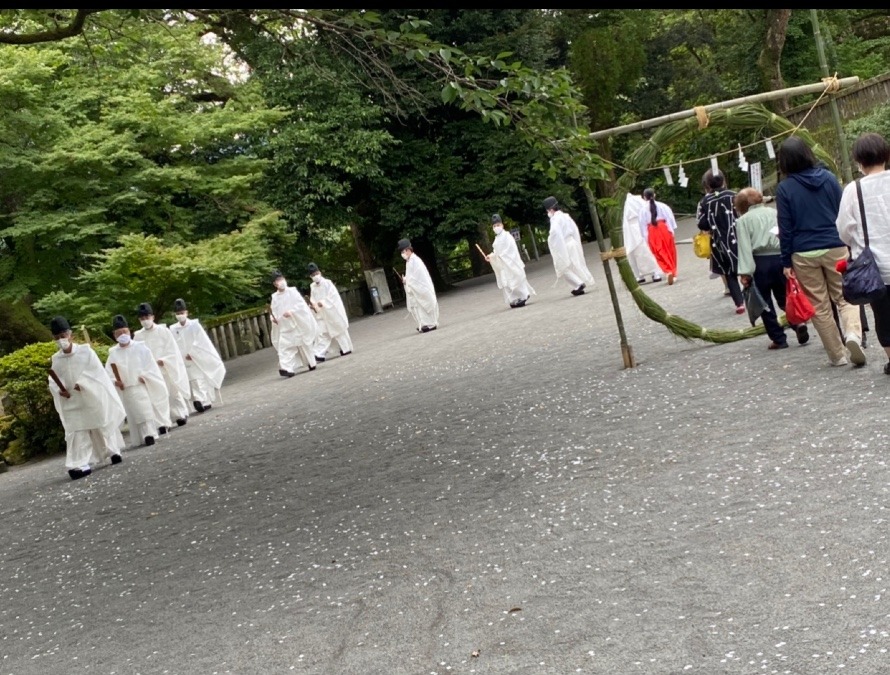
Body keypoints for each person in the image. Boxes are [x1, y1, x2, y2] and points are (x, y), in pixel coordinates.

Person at [777, 135, 864, 367]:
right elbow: (842, 212)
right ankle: (853, 334)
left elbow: (785, 228)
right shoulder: (828, 178)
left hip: (803, 252)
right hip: (834, 244)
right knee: (846, 297)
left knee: (819, 306)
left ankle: (837, 356)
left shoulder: (784, 188)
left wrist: (786, 261)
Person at [836, 132, 890, 372]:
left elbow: (844, 230)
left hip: (875, 268)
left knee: (884, 317)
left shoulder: (852, 190)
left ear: (859, 161)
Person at [48, 316, 125, 480]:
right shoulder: (56, 359)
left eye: (63, 335)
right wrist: (59, 390)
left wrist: (83, 383)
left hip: (90, 396)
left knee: (100, 423)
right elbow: (54, 380)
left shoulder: (86, 351)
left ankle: (113, 450)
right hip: (71, 401)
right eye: (57, 337)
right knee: (77, 430)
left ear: (71, 335)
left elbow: (97, 373)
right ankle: (80, 463)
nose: (61, 340)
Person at [734, 187, 810, 350]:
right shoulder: (774, 212)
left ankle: (779, 339)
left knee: (764, 303)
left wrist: (745, 273)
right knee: (785, 297)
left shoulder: (743, 221)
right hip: (781, 258)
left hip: (759, 261)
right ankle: (798, 323)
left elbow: (745, 247)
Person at [105, 314, 171, 447]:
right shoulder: (113, 353)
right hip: (126, 389)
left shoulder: (141, 347)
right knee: (134, 414)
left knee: (144, 410)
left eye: (124, 332)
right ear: (114, 335)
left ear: (129, 331)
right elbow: (108, 373)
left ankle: (149, 434)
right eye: (119, 333)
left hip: (141, 385)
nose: (122, 335)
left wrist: (146, 376)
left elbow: (151, 366)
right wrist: (115, 381)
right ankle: (142, 436)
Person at [133, 302, 190, 428]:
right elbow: (136, 355)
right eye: (142, 319)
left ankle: (180, 414)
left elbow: (172, 349)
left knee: (172, 392)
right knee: (157, 396)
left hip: (165, 366)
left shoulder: (163, 331)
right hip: (151, 371)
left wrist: (164, 360)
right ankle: (163, 421)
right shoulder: (138, 336)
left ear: (152, 317)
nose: (145, 321)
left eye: (147, 317)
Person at [696, 169, 745, 314]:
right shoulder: (734, 195)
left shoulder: (704, 201)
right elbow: (743, 212)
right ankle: (754, 294)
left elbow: (701, 223)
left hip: (719, 241)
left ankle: (739, 302)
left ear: (707, 185)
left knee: (729, 273)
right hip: (738, 236)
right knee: (747, 265)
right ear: (723, 181)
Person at [170, 298, 226, 410]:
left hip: (197, 357)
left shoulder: (194, 325)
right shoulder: (173, 328)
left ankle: (202, 400)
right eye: (177, 313)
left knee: (200, 379)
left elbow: (201, 341)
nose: (180, 315)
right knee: (192, 380)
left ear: (186, 312)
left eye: (181, 313)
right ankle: (200, 400)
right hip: (183, 359)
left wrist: (193, 353)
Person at [270, 269, 318, 376]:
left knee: (303, 344)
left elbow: (301, 305)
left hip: (297, 323)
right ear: (275, 284)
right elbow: (274, 311)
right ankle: (286, 368)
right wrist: (273, 318)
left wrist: (292, 312)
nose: (281, 281)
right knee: (284, 348)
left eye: (281, 279)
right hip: (285, 327)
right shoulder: (275, 297)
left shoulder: (292, 291)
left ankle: (311, 362)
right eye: (278, 280)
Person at [543, 196, 594, 296]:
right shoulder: (566, 216)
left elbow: (555, 234)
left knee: (563, 267)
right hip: (572, 242)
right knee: (575, 264)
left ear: (550, 209)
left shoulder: (555, 219)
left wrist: (551, 241)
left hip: (564, 244)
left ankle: (578, 283)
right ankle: (580, 282)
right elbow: (574, 229)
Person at [485, 214, 536, 307]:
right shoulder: (496, 240)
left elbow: (511, 249)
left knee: (515, 279)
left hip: (510, 262)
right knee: (506, 282)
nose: (496, 227)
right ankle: (513, 299)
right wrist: (491, 256)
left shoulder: (507, 236)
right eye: (494, 226)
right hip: (503, 264)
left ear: (502, 225)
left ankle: (524, 295)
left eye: (498, 225)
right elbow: (496, 252)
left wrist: (500, 256)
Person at [307, 262, 353, 361]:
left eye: (316, 274)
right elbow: (312, 298)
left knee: (338, 331)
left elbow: (333, 296)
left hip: (332, 311)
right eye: (313, 275)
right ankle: (319, 353)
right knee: (323, 332)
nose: (315, 276)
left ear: (319, 272)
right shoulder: (312, 286)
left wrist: (323, 302)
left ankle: (345, 348)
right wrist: (313, 304)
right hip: (321, 313)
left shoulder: (327, 283)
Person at [397, 238, 439, 332]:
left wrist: (408, 281)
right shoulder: (409, 261)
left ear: (408, 250)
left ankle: (431, 324)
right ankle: (423, 324)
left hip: (421, 287)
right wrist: (406, 280)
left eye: (403, 251)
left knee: (424, 304)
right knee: (418, 306)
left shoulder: (415, 261)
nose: (402, 254)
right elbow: (411, 276)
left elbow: (418, 277)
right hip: (415, 288)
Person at [639, 188, 679, 285]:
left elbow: (642, 225)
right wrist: (671, 231)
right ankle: (673, 272)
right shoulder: (663, 206)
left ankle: (667, 270)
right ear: (654, 195)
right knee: (670, 251)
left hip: (652, 231)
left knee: (659, 253)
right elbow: (669, 218)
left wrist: (646, 238)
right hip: (664, 228)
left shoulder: (643, 210)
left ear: (644, 197)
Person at [622, 193, 663, 284]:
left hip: (630, 229)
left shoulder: (624, 204)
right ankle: (654, 273)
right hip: (638, 226)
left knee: (634, 253)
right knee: (645, 250)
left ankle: (639, 275)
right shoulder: (638, 200)